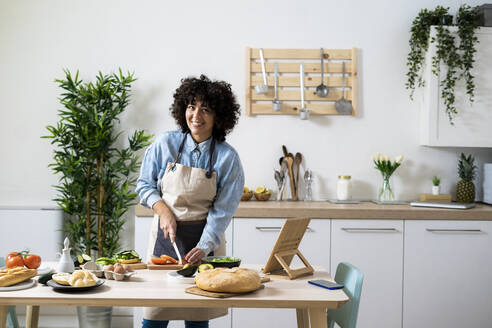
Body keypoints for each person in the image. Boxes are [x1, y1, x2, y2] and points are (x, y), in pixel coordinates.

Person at [136, 74, 244, 328]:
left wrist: (205, 245)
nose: (196, 115)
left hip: (205, 243)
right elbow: (143, 185)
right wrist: (164, 211)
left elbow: (223, 210)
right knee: (153, 319)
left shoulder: (228, 159)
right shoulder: (165, 143)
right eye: (191, 106)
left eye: (206, 109)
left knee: (197, 319)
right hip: (165, 241)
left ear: (219, 117)